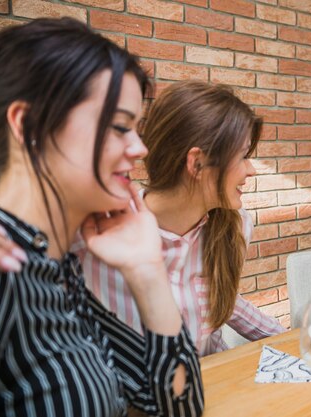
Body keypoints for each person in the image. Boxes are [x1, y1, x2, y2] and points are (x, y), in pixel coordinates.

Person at [0, 18, 203, 416]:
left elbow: (180, 403)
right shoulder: (6, 270)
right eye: (120, 127)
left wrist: (147, 271)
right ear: (28, 125)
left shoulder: (59, 274)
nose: (140, 148)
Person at [73, 80, 284, 355]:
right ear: (197, 163)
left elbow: (221, 299)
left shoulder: (235, 225)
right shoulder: (98, 230)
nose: (251, 170)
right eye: (244, 156)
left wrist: (296, 337)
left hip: (208, 381)